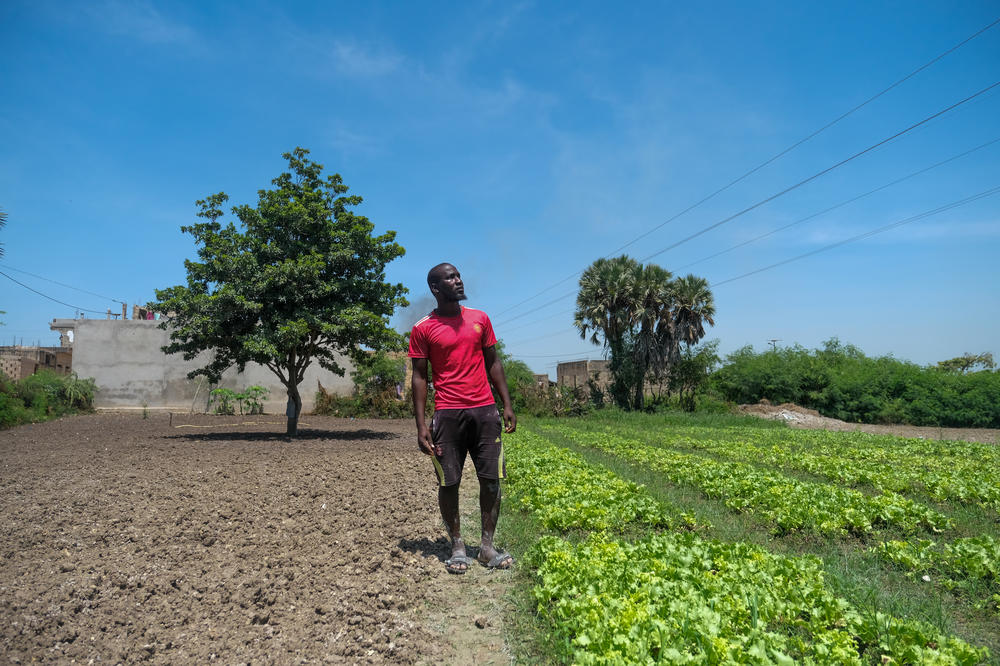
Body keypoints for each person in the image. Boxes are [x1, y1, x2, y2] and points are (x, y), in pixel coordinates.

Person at [409, 262, 516, 574]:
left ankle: (486, 547)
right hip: (447, 415)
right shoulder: (422, 328)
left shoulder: (480, 319)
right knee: (449, 482)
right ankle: (457, 545)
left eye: (458, 276)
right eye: (450, 278)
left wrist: (505, 403)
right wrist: (420, 425)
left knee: (492, 481)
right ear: (435, 288)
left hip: (485, 412)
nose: (458, 281)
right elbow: (418, 377)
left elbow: (494, 363)